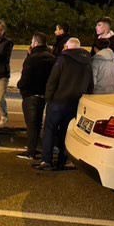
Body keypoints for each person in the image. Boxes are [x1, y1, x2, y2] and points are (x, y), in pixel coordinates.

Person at [35, 38, 93, 171]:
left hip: (58, 101)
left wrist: (49, 98)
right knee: (66, 133)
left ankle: (46, 160)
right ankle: (63, 160)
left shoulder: (63, 60)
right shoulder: (87, 63)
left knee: (50, 130)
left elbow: (52, 80)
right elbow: (90, 85)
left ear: (67, 47)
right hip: (75, 103)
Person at [16, 32, 56, 160]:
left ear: (35, 43)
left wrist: (20, 86)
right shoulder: (51, 57)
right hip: (44, 94)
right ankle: (35, 148)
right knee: (38, 123)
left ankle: (31, 151)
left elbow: (25, 77)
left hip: (31, 94)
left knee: (31, 124)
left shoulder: (32, 58)